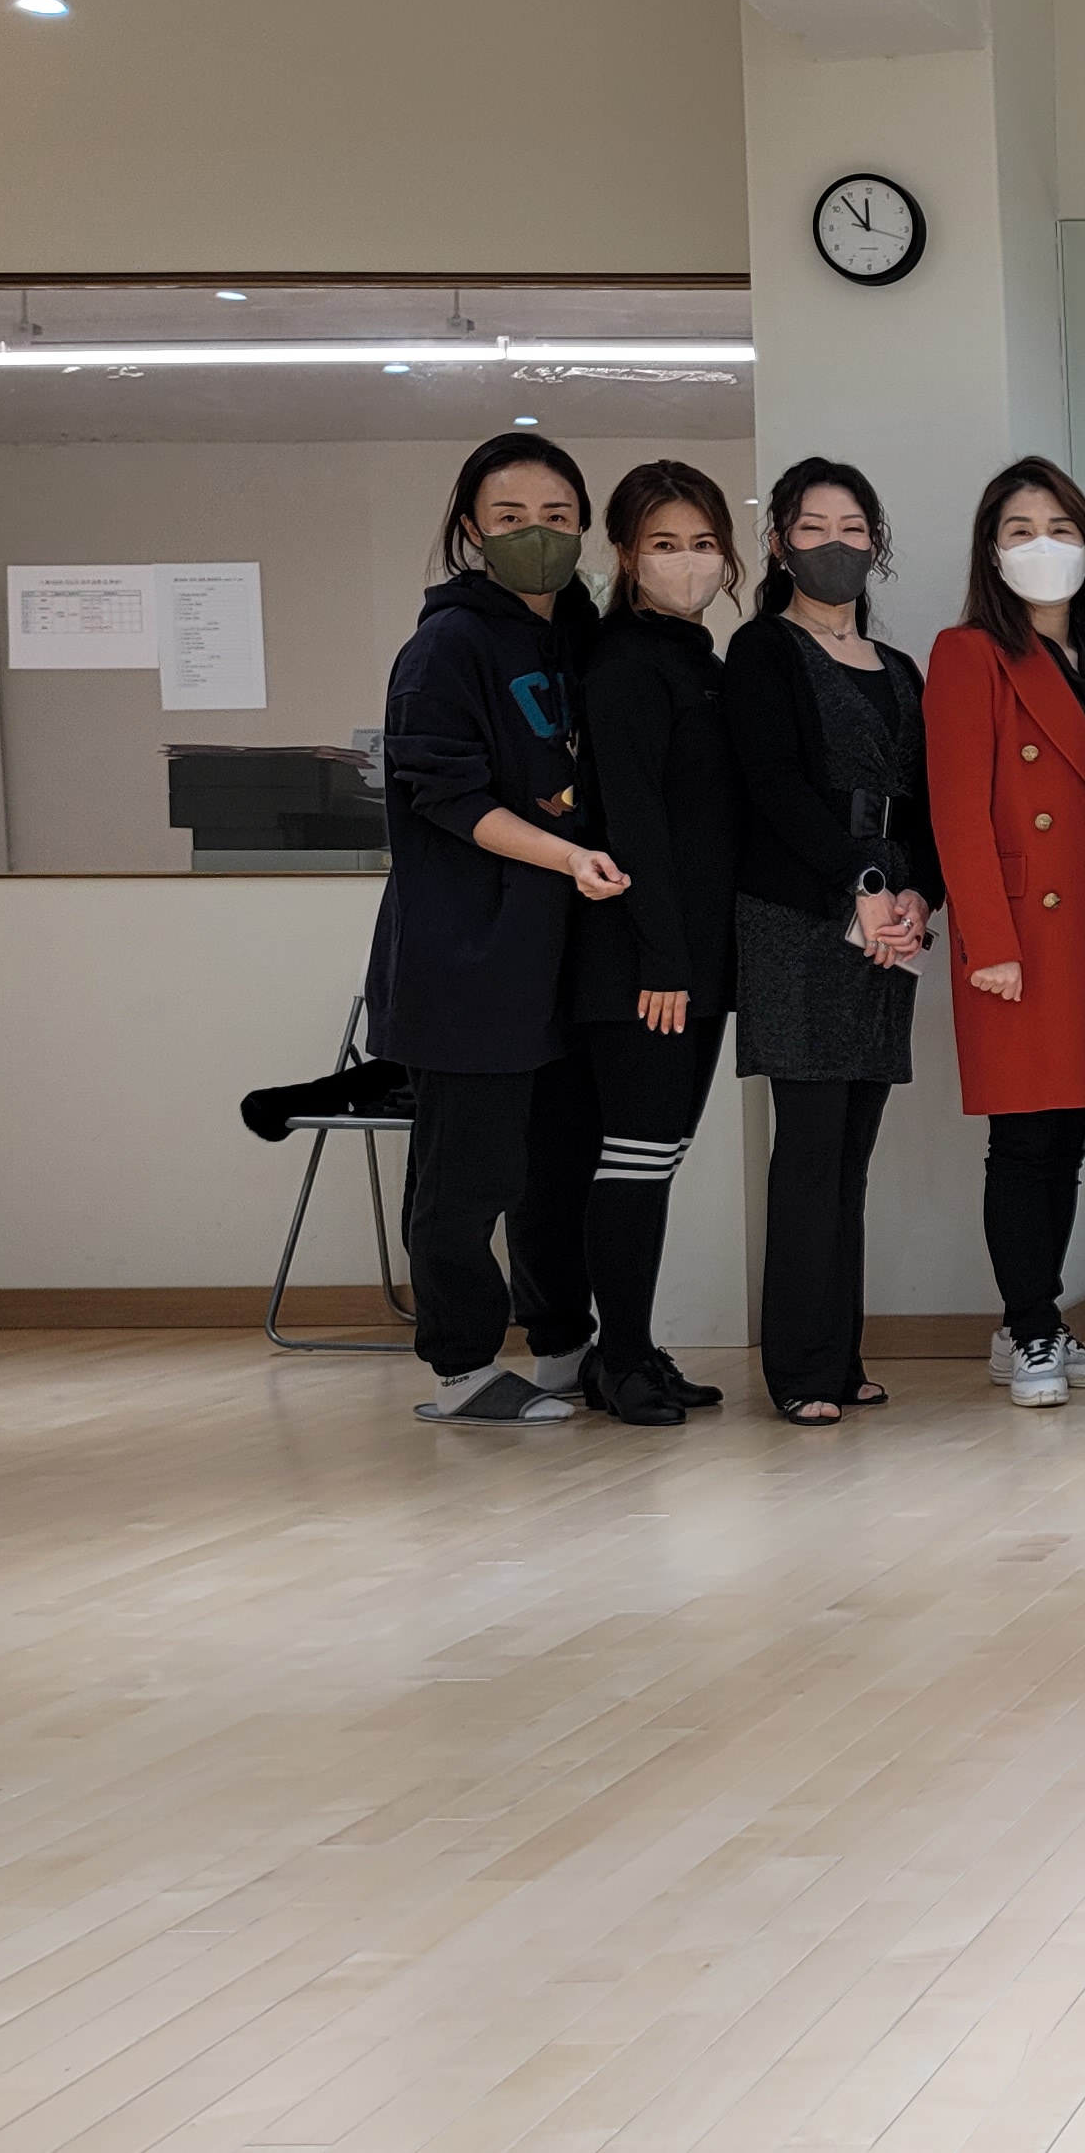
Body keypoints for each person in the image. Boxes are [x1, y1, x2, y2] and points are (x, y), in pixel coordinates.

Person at [368, 434, 628, 1428]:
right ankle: (462, 1367)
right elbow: (442, 792)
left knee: (556, 1170)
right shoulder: (447, 645)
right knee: (467, 1176)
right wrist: (565, 855)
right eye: (511, 518)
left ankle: (561, 1347)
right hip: (467, 957)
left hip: (560, 956)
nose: (537, 534)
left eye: (557, 517)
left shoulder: (576, 638)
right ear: (471, 530)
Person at [926, 458, 1085, 1408]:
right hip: (1019, 932)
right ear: (991, 551)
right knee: (1023, 1140)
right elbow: (956, 811)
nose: (1042, 546)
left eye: (1060, 528)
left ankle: (1037, 1320)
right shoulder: (968, 652)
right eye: (1019, 531)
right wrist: (989, 944)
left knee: (1067, 1135)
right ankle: (1026, 1328)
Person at [726, 457, 936, 1426]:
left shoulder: (899, 669)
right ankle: (799, 1368)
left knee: (852, 1148)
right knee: (808, 1147)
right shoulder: (761, 650)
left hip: (888, 918)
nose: (834, 545)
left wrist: (918, 895)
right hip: (800, 916)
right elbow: (771, 787)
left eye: (853, 529)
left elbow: (921, 799)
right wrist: (859, 887)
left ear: (875, 544)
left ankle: (839, 1357)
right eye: (813, 528)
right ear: (780, 544)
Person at [548, 458, 746, 1428]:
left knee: (655, 1154)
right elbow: (633, 824)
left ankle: (632, 1347)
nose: (687, 561)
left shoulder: (696, 659)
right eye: (664, 544)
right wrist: (664, 959)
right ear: (625, 555)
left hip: (692, 956)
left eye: (703, 543)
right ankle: (617, 1357)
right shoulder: (627, 664)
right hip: (643, 963)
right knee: (633, 1156)